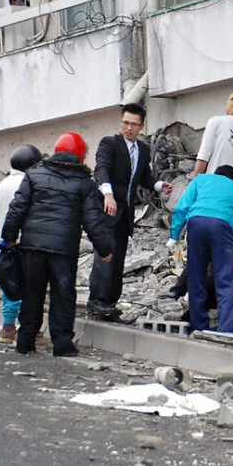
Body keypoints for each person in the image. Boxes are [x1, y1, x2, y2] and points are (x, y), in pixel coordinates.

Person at [1, 132, 112, 357]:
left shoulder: (33, 175)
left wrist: (9, 237)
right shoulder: (84, 183)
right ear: (81, 156)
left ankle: (25, 341)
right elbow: (93, 219)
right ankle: (62, 345)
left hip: (32, 247)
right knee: (63, 296)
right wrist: (105, 248)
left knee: (32, 294)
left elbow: (17, 208)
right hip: (63, 250)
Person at [88, 104, 173, 319]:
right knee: (105, 254)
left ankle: (110, 302)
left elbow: (144, 176)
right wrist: (107, 193)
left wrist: (158, 185)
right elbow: (102, 169)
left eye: (134, 124)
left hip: (125, 212)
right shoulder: (109, 144)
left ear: (142, 126)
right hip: (107, 209)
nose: (129, 128)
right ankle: (97, 301)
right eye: (125, 123)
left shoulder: (143, 150)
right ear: (121, 123)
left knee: (119, 258)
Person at [170, 165, 233, 334]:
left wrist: (174, 234)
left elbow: (181, 207)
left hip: (196, 223)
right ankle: (226, 328)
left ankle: (199, 324)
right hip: (223, 226)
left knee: (196, 275)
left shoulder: (200, 180)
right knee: (227, 280)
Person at [0, 144, 42, 344]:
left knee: (9, 287)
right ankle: (28, 332)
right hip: (23, 242)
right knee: (28, 289)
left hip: (3, 244)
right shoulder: (28, 183)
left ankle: (8, 327)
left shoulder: (0, 186)